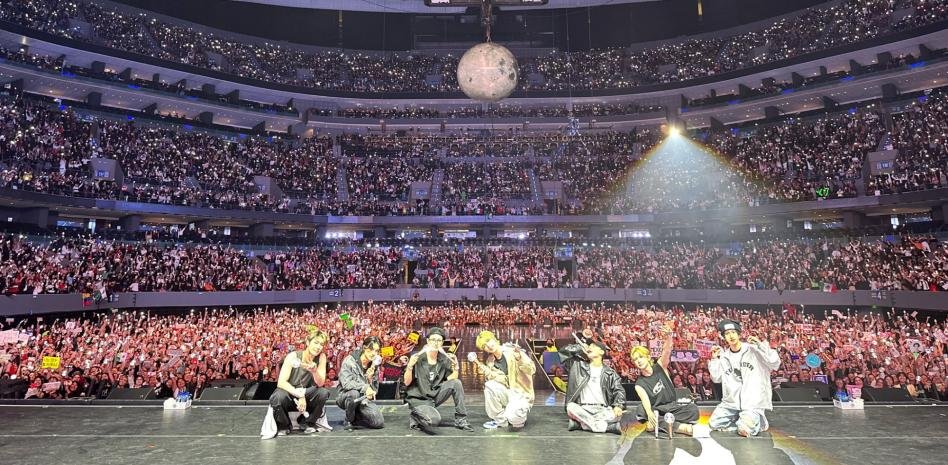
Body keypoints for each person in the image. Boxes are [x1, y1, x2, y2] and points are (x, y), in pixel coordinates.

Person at [630, 325, 707, 437]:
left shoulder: (660, 366)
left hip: (672, 406)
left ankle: (659, 424)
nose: (639, 361)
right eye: (635, 359)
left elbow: (667, 350)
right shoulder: (639, 384)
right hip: (657, 409)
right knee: (642, 410)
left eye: (641, 357)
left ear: (648, 357)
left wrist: (669, 337)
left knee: (693, 409)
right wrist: (650, 413)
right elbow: (645, 401)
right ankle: (680, 427)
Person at [708, 319, 781, 437]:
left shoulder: (753, 349)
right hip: (731, 403)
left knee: (745, 430)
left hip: (752, 402)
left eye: (733, 332)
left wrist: (760, 345)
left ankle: (753, 419)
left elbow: (774, 363)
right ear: (724, 337)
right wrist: (714, 359)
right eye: (727, 334)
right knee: (714, 424)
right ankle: (743, 419)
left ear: (739, 334)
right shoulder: (724, 356)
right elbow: (716, 378)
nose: (731, 336)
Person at [403, 327, 473, 433]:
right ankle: (415, 414)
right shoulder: (417, 358)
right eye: (433, 340)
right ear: (428, 341)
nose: (436, 343)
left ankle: (461, 419)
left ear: (442, 343)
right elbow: (406, 382)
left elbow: (452, 379)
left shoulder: (443, 359)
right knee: (434, 421)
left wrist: (456, 366)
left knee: (456, 383)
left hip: (434, 396)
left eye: (439, 340)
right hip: (419, 399)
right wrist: (409, 366)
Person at [264, 328, 332, 438]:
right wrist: (300, 395)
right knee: (277, 396)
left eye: (321, 344)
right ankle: (283, 425)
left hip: (308, 393)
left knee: (323, 393)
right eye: (316, 343)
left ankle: (308, 422)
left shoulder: (321, 357)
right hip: (290, 393)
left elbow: (320, 383)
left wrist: (314, 371)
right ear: (308, 342)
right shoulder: (293, 356)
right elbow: (281, 382)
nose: (318, 347)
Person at [471, 330, 536, 431]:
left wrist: (519, 359)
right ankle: (501, 421)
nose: (488, 345)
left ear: (494, 339)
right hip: (509, 392)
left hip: (521, 394)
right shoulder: (490, 361)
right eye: (484, 346)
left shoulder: (513, 351)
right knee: (489, 385)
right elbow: (502, 379)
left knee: (514, 419)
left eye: (488, 340)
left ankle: (516, 415)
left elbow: (531, 369)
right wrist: (481, 366)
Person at [558, 340, 626, 434]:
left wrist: (618, 406)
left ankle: (582, 425)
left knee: (617, 414)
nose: (590, 347)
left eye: (593, 346)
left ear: (601, 352)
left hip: (603, 409)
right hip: (583, 408)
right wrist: (580, 348)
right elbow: (563, 352)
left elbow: (619, 391)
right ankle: (606, 427)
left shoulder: (610, 373)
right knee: (570, 407)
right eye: (589, 346)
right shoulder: (577, 366)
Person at [337, 336, 385, 431]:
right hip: (346, 396)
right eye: (371, 349)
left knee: (378, 422)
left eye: (376, 351)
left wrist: (370, 379)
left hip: (363, 399)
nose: (374, 353)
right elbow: (347, 384)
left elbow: (374, 391)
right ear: (364, 348)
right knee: (354, 394)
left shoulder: (374, 365)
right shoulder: (349, 361)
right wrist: (365, 387)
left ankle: (356, 415)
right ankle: (349, 420)